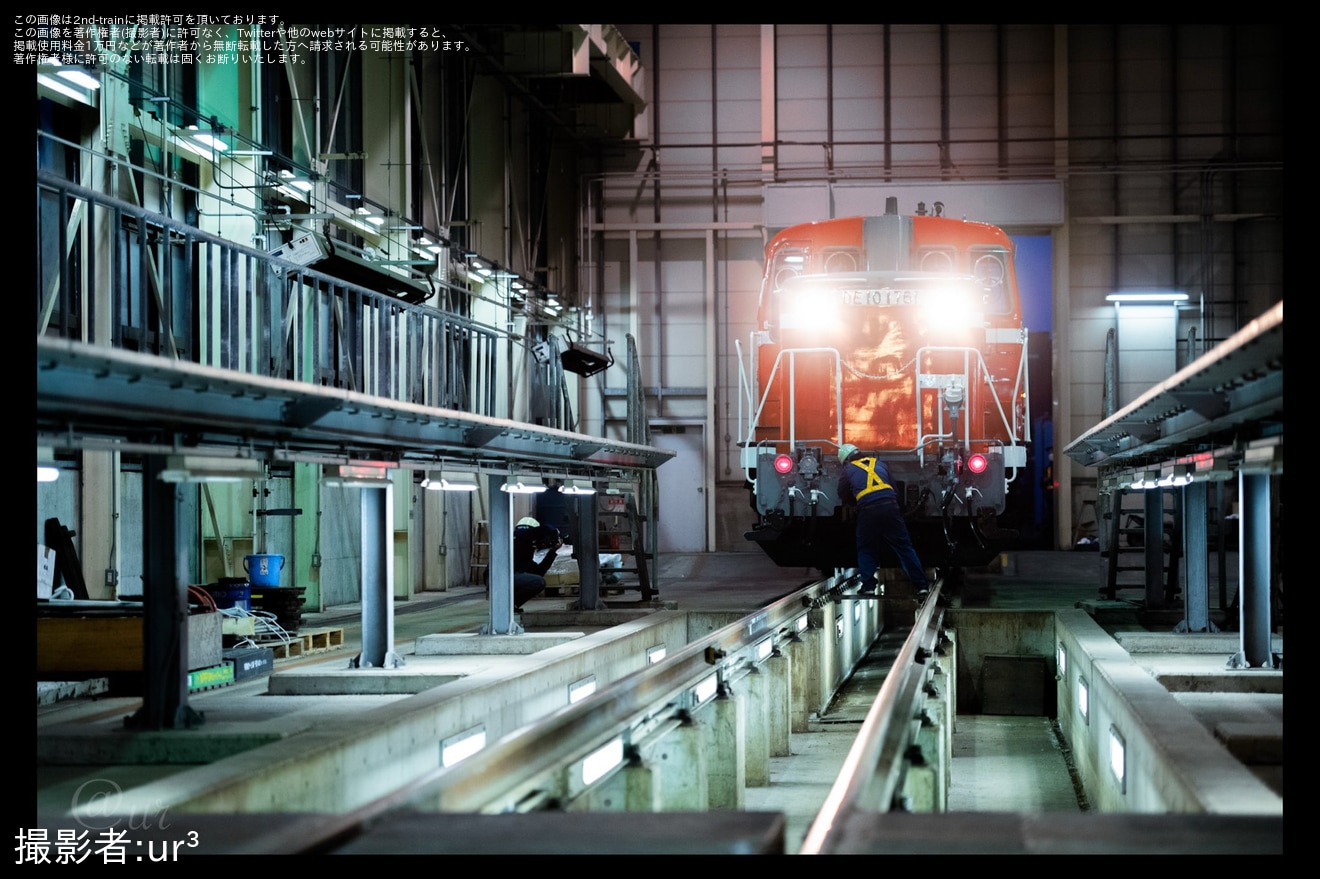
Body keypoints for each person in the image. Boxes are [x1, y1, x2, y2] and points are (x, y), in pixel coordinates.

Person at [836, 443, 930, 596]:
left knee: (866, 548)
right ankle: (921, 586)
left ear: (846, 460)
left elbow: (842, 493)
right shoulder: (880, 464)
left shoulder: (848, 470)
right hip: (890, 507)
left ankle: (868, 587)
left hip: (867, 510)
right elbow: (894, 488)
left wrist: (854, 504)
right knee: (905, 548)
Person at [513, 516, 563, 608]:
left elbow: (538, 572)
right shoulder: (519, 542)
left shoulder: (523, 548)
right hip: (500, 579)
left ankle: (511, 605)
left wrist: (552, 552)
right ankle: (509, 605)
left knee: (537, 581)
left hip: (502, 578)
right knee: (537, 582)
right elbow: (545, 529)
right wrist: (554, 533)